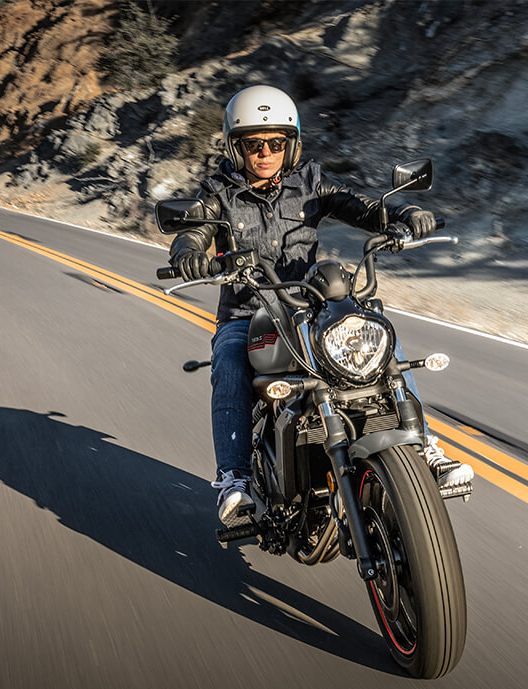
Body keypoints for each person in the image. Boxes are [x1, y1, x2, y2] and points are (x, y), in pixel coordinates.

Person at [168, 85, 473, 527]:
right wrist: (188, 252)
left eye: (276, 143)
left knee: (374, 328)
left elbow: (359, 205)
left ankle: (421, 444)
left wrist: (402, 212)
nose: (266, 153)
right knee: (230, 359)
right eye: (254, 144)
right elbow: (194, 229)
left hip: (306, 308)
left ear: (291, 144)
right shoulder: (219, 192)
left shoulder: (310, 181)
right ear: (237, 147)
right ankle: (233, 477)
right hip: (248, 314)